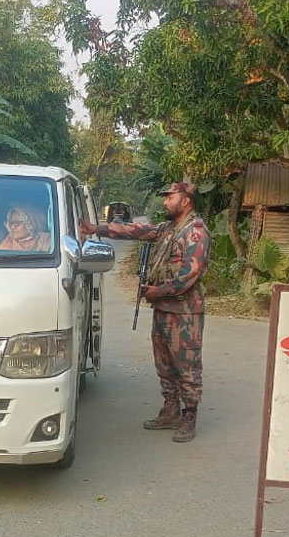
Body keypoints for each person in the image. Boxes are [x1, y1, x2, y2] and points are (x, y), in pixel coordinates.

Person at [79, 181, 210, 442]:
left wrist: (158, 291)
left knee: (187, 366)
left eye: (170, 197)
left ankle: (189, 416)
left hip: (184, 313)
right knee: (164, 364)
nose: (165, 201)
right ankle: (171, 409)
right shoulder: (169, 228)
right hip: (163, 308)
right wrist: (97, 229)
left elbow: (190, 274)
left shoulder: (195, 231)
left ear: (185, 200)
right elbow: (136, 230)